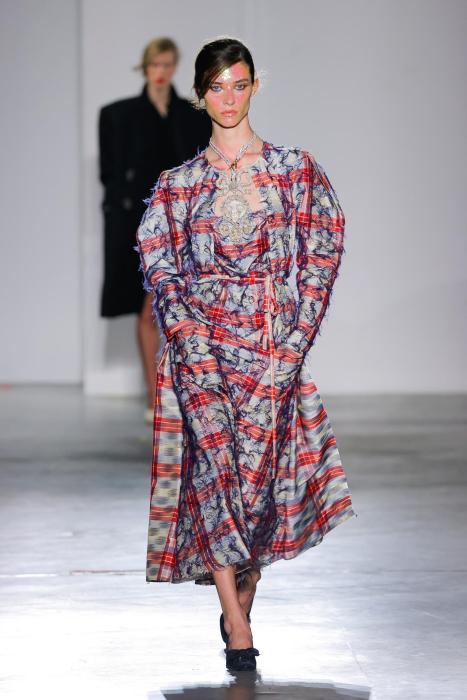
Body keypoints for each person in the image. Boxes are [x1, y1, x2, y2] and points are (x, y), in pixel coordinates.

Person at [136, 37, 356, 672]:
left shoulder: (294, 171)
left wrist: (296, 337)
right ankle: (236, 622)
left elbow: (323, 248)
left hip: (269, 350)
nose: (228, 98)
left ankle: (244, 584)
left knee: (257, 488)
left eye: (238, 85)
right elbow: (160, 266)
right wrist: (187, 338)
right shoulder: (178, 186)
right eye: (216, 87)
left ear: (255, 86)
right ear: (201, 95)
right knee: (214, 478)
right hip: (202, 354)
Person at [99, 37, 211, 422]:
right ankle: (155, 397)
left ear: (175, 67)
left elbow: (204, 168)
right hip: (140, 225)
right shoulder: (120, 116)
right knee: (149, 306)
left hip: (185, 223)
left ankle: (184, 395)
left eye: (166, 64)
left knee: (185, 306)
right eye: (154, 65)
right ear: (145, 68)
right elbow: (111, 177)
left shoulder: (193, 115)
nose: (160, 72)